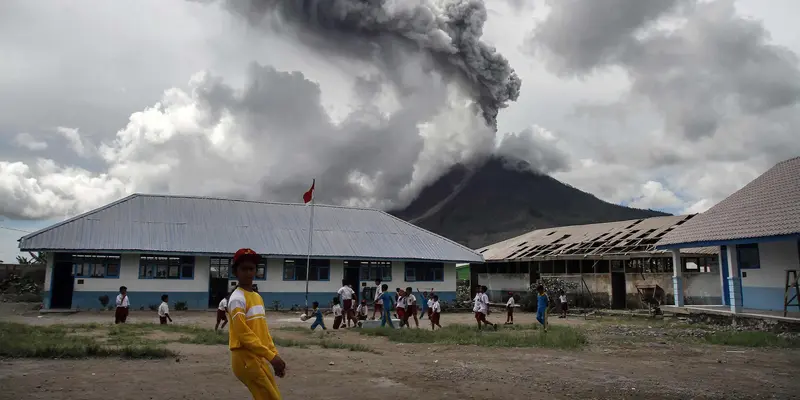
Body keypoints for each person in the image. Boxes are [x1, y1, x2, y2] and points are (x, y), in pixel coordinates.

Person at [227, 248, 286, 400]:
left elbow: (263, 333)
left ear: (256, 271)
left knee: (271, 395)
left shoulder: (257, 297)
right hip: (244, 357)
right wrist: (271, 357)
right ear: (235, 272)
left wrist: (274, 356)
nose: (248, 273)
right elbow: (244, 334)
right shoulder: (237, 299)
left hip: (258, 356)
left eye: (251, 269)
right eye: (243, 269)